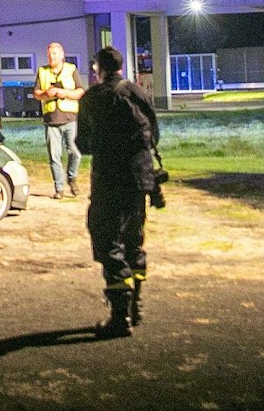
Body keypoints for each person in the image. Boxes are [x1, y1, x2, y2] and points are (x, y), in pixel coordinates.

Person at [78, 45, 160, 338]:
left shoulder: (92, 98)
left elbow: (83, 144)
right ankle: (135, 306)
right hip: (139, 180)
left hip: (108, 180)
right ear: (121, 66)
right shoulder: (136, 92)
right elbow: (154, 133)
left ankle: (119, 317)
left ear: (98, 69)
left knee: (108, 241)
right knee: (133, 241)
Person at [34, 42, 84, 197]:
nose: (51, 56)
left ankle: (72, 177)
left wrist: (64, 93)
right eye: (49, 54)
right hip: (51, 120)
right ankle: (59, 188)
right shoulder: (42, 71)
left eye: (54, 53)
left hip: (70, 118)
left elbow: (80, 91)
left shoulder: (71, 69)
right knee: (54, 156)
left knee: (75, 152)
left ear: (62, 55)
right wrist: (46, 94)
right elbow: (36, 93)